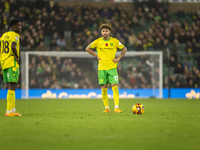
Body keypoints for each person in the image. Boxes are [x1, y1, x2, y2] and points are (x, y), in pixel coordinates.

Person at [85, 24, 127, 113]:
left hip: (112, 68)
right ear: (101, 32)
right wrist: (96, 55)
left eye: (106, 31)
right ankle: (106, 108)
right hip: (102, 68)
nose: (105, 32)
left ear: (109, 32)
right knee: (104, 88)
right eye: (103, 31)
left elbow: (124, 49)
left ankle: (116, 108)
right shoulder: (97, 41)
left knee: (114, 87)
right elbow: (87, 48)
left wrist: (118, 58)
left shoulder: (115, 41)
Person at [0, 19, 22, 116]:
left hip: (4, 62)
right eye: (18, 25)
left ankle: (13, 110)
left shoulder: (4, 35)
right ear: (13, 26)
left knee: (12, 85)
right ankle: (9, 111)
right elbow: (13, 46)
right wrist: (17, 56)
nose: (20, 27)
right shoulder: (15, 35)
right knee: (12, 86)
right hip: (11, 62)